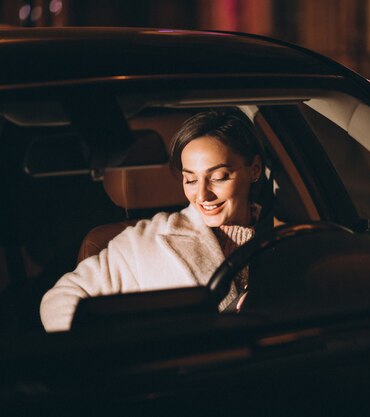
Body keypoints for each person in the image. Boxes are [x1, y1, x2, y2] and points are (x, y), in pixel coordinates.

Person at [40, 109, 264, 332]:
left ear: (254, 170)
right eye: (191, 180)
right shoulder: (144, 241)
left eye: (218, 177)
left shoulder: (287, 233)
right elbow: (59, 300)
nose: (202, 195)